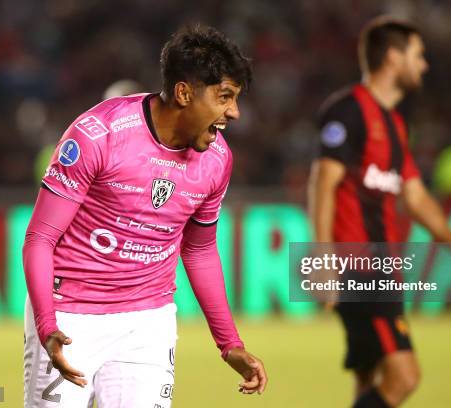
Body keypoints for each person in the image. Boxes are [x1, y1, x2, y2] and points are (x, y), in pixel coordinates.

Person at [23, 25, 267, 407]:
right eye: (224, 97)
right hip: (70, 317)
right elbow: (41, 237)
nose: (233, 113)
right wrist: (47, 323)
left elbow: (200, 251)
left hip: (147, 322)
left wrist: (229, 344)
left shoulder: (218, 160)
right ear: (185, 92)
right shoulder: (98, 135)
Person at [308, 17, 451, 408]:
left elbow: (417, 198)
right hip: (360, 266)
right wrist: (321, 258)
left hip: (381, 266)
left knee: (368, 375)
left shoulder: (397, 126)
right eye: (418, 55)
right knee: (404, 377)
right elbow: (323, 182)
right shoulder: (348, 111)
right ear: (392, 57)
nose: (424, 65)